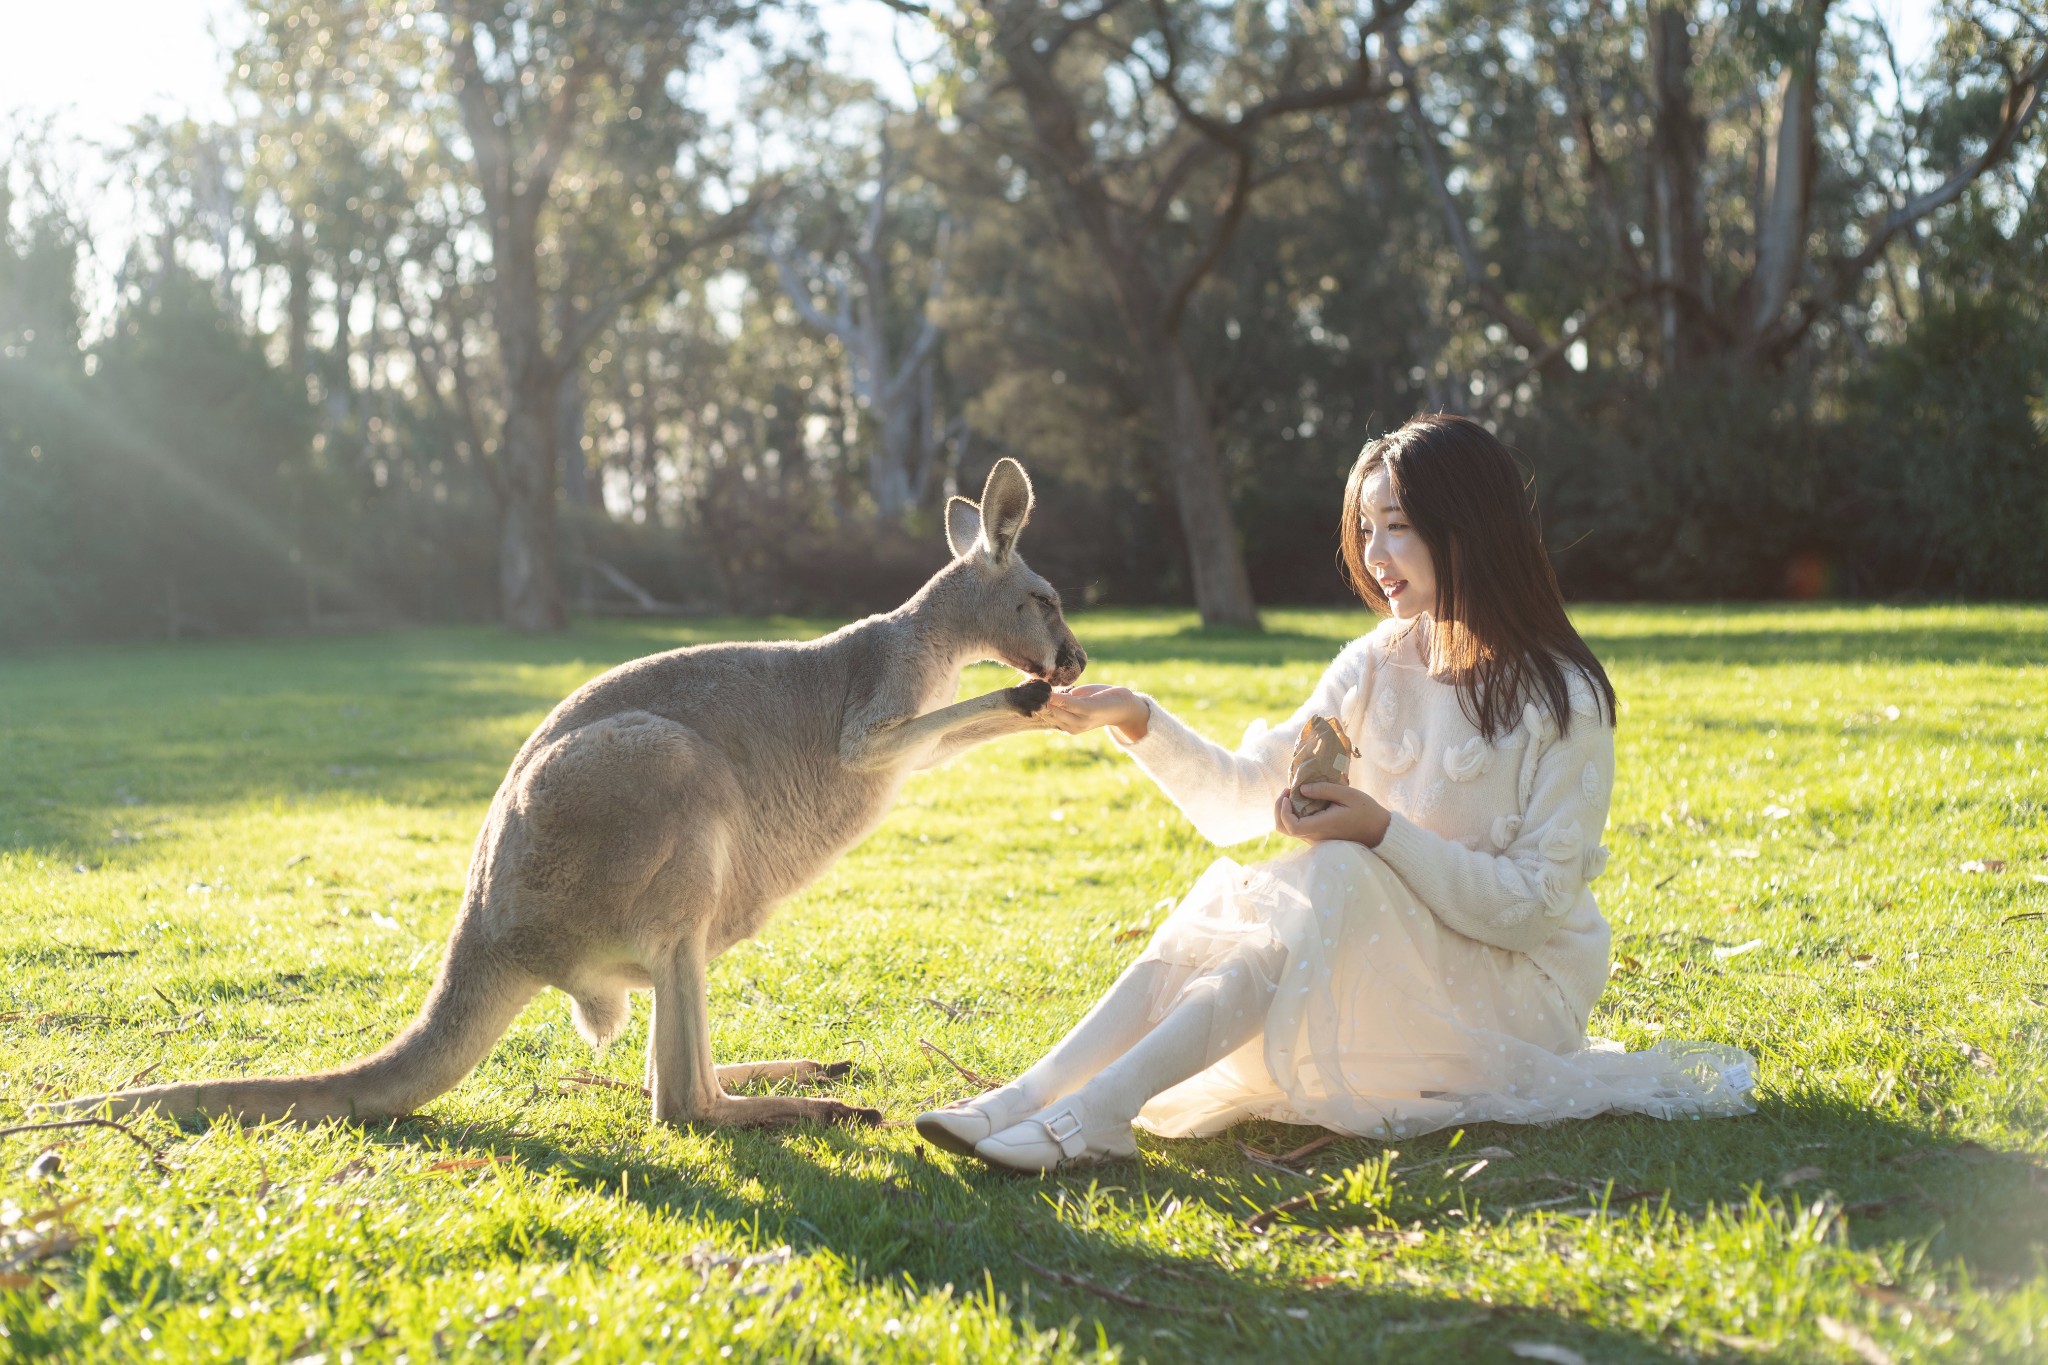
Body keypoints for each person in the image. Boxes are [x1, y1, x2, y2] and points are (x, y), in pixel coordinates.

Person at [916, 414, 1755, 1172]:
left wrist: (1381, 830)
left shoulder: (1565, 697)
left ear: (1469, 525)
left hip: (1516, 992)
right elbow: (1241, 798)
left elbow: (1534, 903)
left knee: (1345, 872)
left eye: (1398, 526)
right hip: (1374, 953)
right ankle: (1033, 1094)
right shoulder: (1376, 661)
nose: (1376, 554)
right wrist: (1137, 719)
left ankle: (1097, 1110)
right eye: (1366, 528)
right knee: (1279, 892)